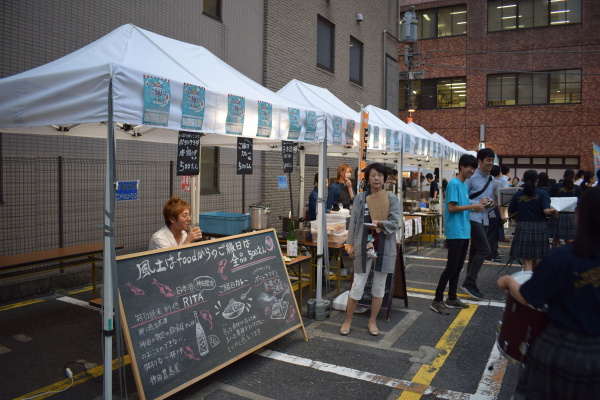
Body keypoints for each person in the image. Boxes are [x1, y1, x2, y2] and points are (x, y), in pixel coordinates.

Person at [497, 187, 600, 400]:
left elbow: (528, 296)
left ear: (579, 215)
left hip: (562, 350)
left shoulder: (562, 257)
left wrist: (507, 281)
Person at [341, 163, 401, 336]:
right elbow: (354, 223)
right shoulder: (360, 198)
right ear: (367, 178)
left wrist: (381, 223)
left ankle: (372, 321)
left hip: (384, 246)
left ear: (385, 178)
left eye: (380, 175)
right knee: (357, 286)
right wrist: (349, 244)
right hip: (363, 246)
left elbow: (396, 222)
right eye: (373, 175)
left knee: (379, 287)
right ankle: (348, 320)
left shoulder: (392, 199)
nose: (376, 178)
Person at [430, 154, 485, 315]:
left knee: (458, 267)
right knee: (451, 268)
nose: (472, 170)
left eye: (474, 168)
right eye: (469, 167)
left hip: (463, 231)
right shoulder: (454, 183)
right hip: (455, 231)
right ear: (461, 166)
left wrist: (476, 205)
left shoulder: (464, 185)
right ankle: (437, 300)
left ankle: (452, 297)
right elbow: (452, 208)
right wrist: (472, 206)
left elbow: (461, 205)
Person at [461, 148, 496, 299]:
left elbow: (491, 199)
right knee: (485, 250)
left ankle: (469, 283)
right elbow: (462, 199)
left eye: (492, 160)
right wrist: (477, 202)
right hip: (473, 218)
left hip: (485, 218)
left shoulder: (492, 180)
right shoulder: (471, 177)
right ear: (480, 161)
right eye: (488, 160)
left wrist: (492, 203)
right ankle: (469, 282)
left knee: (476, 251)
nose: (490, 163)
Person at [508, 170, 557, 271]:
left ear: (524, 180)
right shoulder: (543, 193)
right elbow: (546, 210)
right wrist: (552, 210)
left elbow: (510, 213)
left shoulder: (518, 194)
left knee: (527, 259)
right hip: (539, 226)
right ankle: (535, 283)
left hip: (523, 226)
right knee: (537, 257)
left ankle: (527, 282)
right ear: (537, 180)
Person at [549, 169, 581, 246]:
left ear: (563, 176)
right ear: (574, 177)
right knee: (569, 238)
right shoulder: (577, 188)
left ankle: (554, 254)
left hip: (557, 214)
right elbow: (581, 202)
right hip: (571, 216)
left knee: (556, 237)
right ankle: (568, 254)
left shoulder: (556, 186)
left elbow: (549, 198)